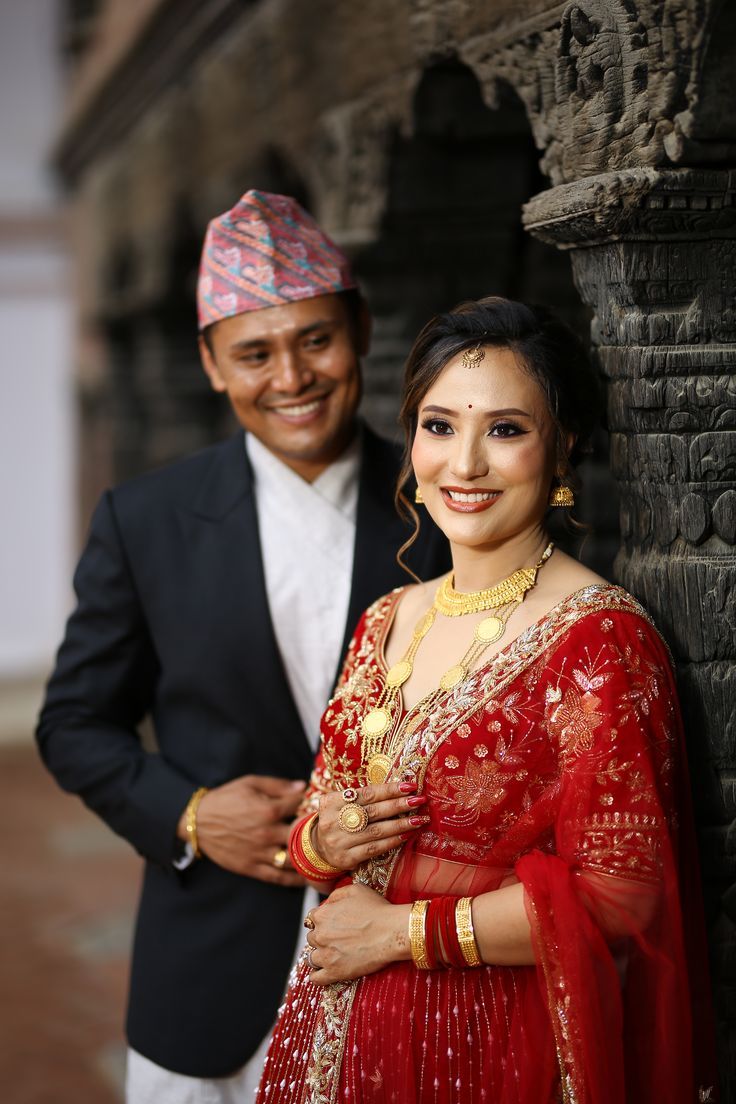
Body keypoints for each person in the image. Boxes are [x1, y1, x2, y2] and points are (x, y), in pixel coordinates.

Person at [35, 190, 450, 1102]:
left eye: (316, 340)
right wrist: (188, 814)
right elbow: (73, 724)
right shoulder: (144, 522)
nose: (291, 377)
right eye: (254, 353)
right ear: (212, 365)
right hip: (211, 968)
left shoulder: (448, 503)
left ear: (361, 331)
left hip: (415, 960)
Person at [257, 296, 718, 1103]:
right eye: (439, 426)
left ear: (563, 446)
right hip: (344, 1033)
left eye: (505, 430)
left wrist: (400, 934)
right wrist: (325, 841)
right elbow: (315, 826)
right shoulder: (387, 619)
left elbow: (624, 893)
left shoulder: (597, 640)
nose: (462, 464)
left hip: (489, 1043)